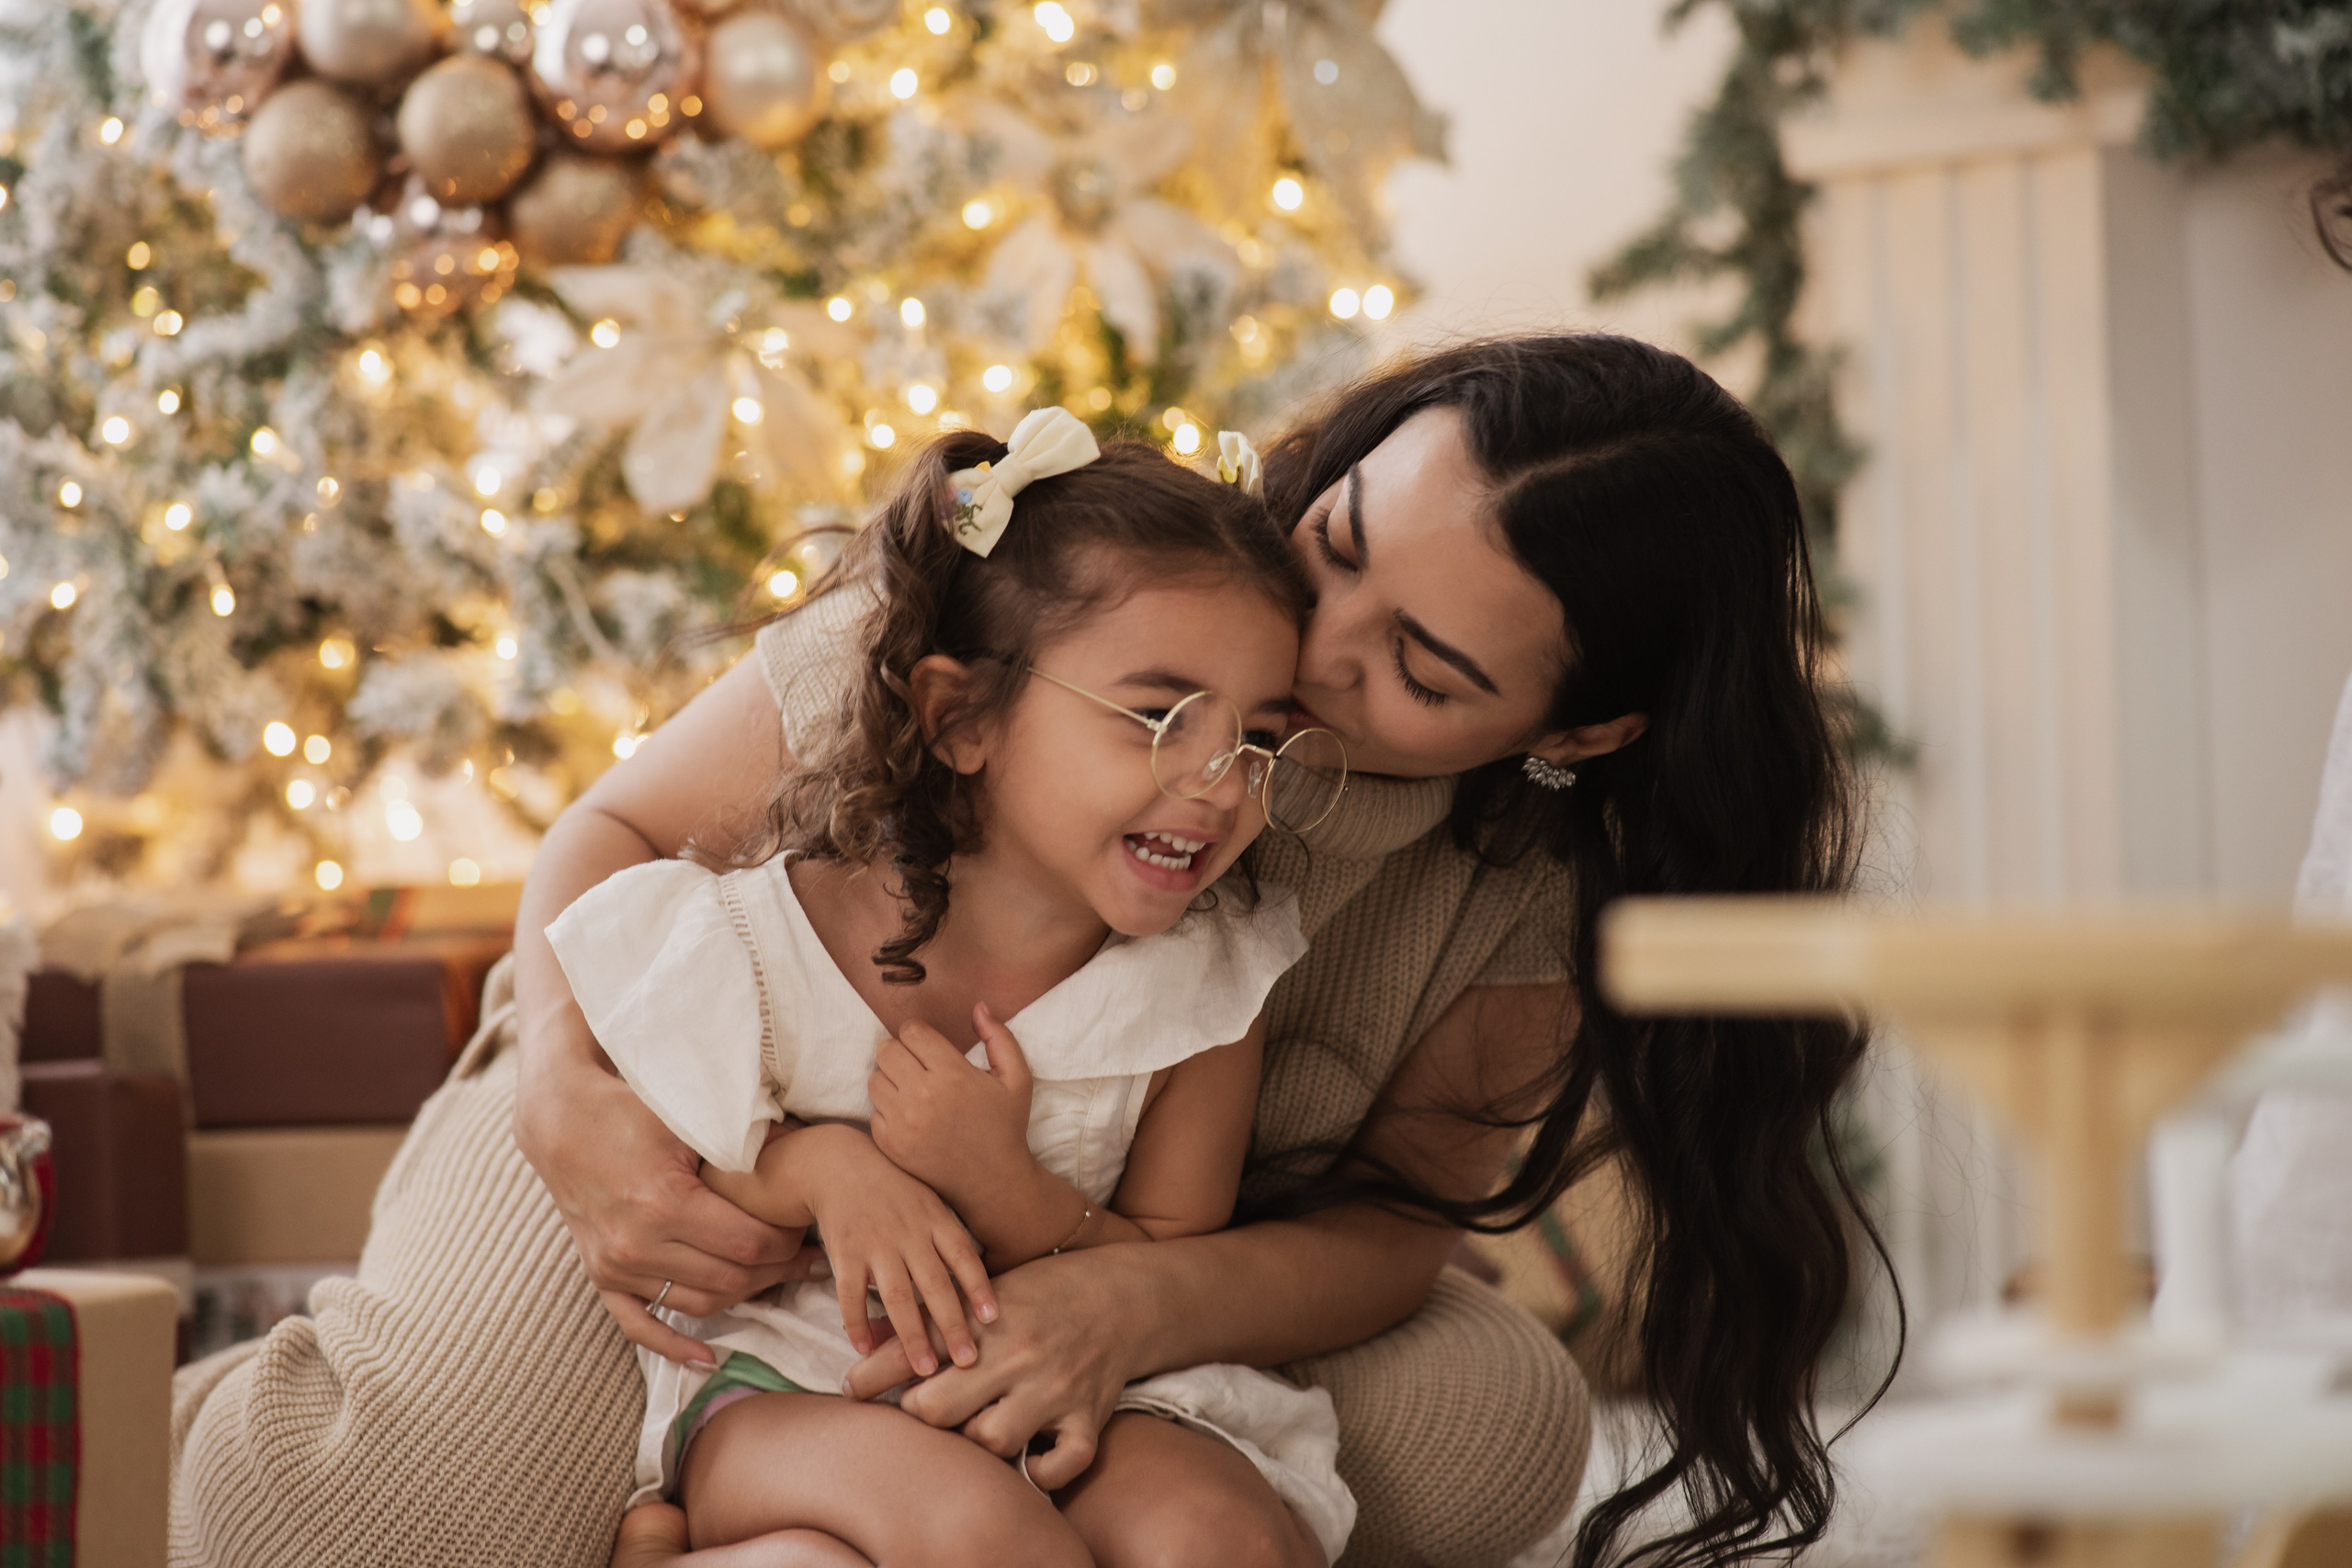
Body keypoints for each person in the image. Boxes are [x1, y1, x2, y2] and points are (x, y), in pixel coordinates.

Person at [172, 335, 1873, 1568]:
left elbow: (1393, 1225)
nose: (1314, 644)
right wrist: (564, 1089)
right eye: (1340, 541)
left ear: (1578, 731)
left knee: (1497, 1417)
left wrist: (1116, 1297)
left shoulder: (1522, 891)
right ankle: (216, 1397)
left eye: (1422, 668)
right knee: (358, 1529)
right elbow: (613, 836)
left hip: (1082, 1240)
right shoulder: (1046, 606)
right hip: (684, 1111)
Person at [560, 412, 1355, 1566]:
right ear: (961, 717)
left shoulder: (1207, 990)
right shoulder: (758, 934)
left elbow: (1165, 1260)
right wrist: (823, 1171)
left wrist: (1003, 1186)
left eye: (1258, 741)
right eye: (1156, 718)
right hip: (794, 1388)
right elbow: (673, 1155)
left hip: (1084, 1380)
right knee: (982, 1541)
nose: (1222, 785)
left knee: (1216, 1539)